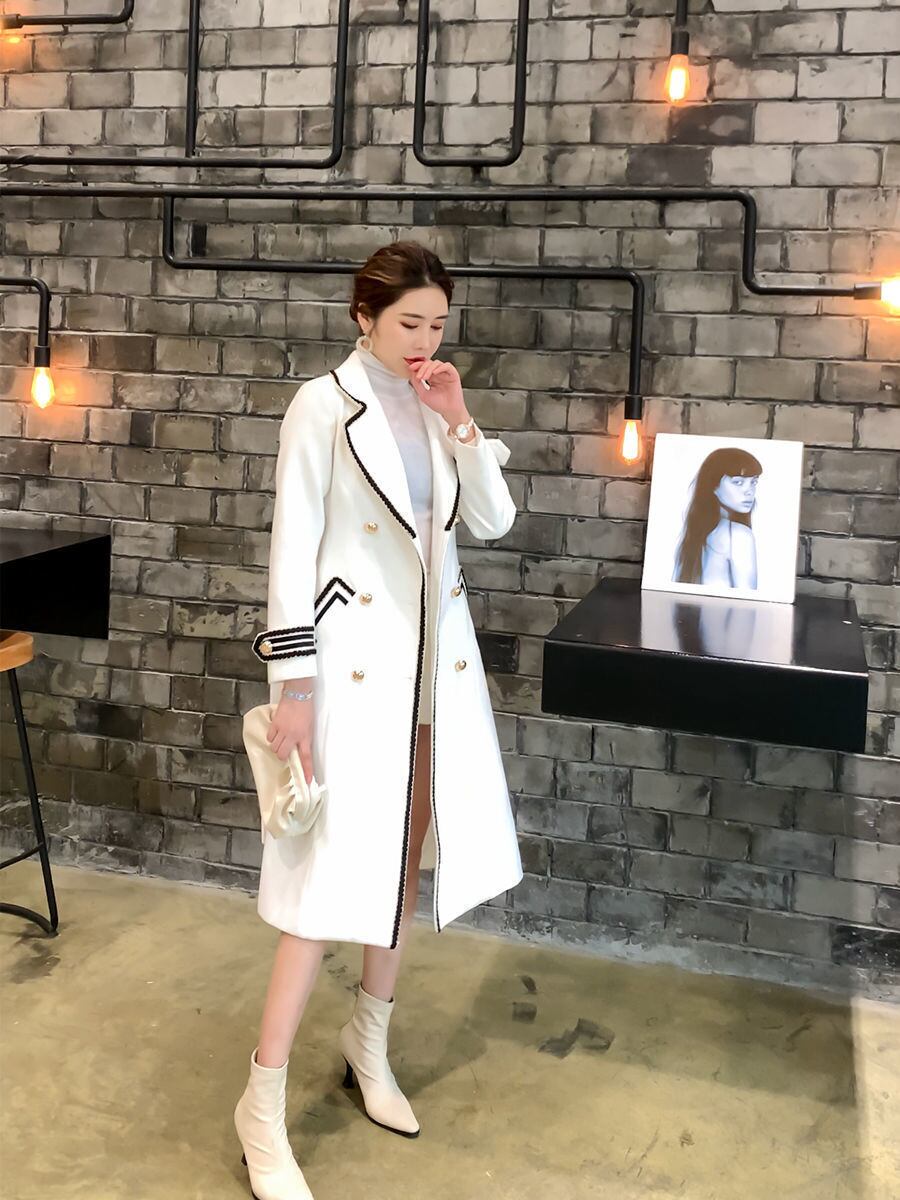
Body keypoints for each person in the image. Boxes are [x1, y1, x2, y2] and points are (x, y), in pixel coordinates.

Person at [233, 241, 523, 1199]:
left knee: (405, 859)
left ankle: (369, 1041)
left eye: (438, 323)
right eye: (408, 322)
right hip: (351, 670)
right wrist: (294, 690)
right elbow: (293, 548)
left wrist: (460, 419)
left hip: (433, 666)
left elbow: (493, 521)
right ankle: (262, 1107)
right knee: (323, 889)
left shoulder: (436, 402)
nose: (424, 339)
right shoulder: (322, 404)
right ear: (365, 316)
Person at [672, 446, 762, 590]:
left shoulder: (692, 537)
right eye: (738, 482)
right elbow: (746, 600)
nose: (749, 491)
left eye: (754, 482)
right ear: (713, 485)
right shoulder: (739, 535)